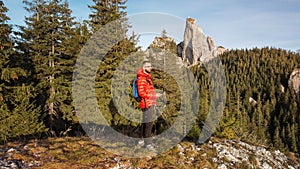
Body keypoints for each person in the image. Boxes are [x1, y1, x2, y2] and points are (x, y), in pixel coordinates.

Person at [136, 60, 162, 149]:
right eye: (148, 66)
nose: (151, 68)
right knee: (148, 124)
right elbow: (142, 93)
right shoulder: (142, 79)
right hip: (147, 104)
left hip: (148, 103)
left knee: (145, 122)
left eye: (150, 66)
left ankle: (141, 140)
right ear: (144, 68)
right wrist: (155, 95)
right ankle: (148, 144)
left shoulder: (146, 78)